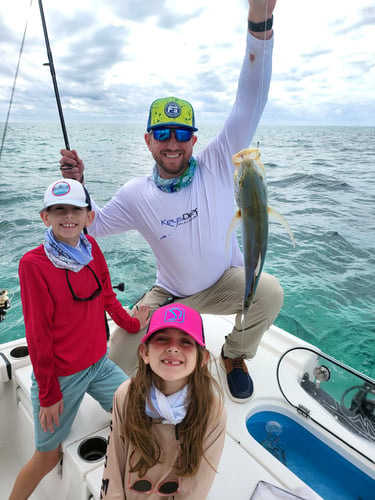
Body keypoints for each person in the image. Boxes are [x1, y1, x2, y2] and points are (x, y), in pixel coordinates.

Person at [59, 0, 282, 402]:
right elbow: (92, 224)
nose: (173, 143)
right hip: (171, 293)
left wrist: (259, 18)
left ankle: (234, 355)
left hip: (224, 283)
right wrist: (79, 187)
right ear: (148, 140)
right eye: (162, 133)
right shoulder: (135, 194)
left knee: (269, 292)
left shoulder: (217, 160)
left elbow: (251, 100)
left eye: (182, 133)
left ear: (195, 139)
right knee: (116, 365)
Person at [9, 179, 150, 500]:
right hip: (61, 377)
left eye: (76, 209)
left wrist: (131, 323)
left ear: (89, 216)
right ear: (46, 217)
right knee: (48, 457)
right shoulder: (33, 264)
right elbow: (38, 334)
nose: (68, 216)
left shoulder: (92, 248)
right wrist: (48, 393)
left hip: (98, 365)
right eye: (59, 210)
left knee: (139, 412)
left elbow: (107, 297)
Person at [100, 303, 226, 499]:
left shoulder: (212, 411)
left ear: (203, 359)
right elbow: (114, 465)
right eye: (162, 339)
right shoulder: (125, 395)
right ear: (145, 353)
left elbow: (196, 489)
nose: (173, 348)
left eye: (186, 341)